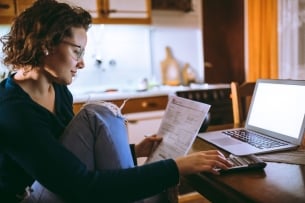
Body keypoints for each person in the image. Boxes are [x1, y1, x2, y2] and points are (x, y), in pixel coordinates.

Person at [0, 0, 232, 202]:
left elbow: (66, 161)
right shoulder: (12, 111)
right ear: (46, 45)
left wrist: (135, 151)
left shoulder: (58, 90)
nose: (81, 63)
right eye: (77, 52)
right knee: (96, 113)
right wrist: (176, 167)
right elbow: (82, 186)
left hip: (59, 185)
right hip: (27, 197)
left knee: (97, 116)